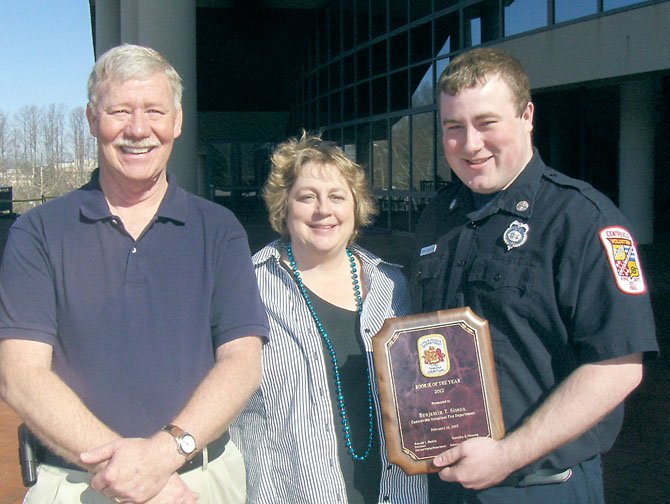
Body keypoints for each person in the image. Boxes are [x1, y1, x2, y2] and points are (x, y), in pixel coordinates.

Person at [0, 44, 269, 504]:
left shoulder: (219, 230)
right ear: (91, 118)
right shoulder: (37, 232)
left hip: (197, 484)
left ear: (178, 121)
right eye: (119, 111)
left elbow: (242, 363)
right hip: (79, 485)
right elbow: (21, 376)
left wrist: (164, 455)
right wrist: (133, 474)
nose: (138, 129)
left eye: (154, 111)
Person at [411, 47, 658, 503]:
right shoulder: (437, 218)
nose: (470, 144)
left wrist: (507, 455)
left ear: (527, 116)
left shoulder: (586, 221)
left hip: (537, 487)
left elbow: (619, 367)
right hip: (444, 486)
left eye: (487, 123)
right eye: (453, 128)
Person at [229, 132, 428, 503]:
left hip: (395, 492)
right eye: (307, 197)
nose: (324, 210)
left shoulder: (395, 285)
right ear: (283, 207)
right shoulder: (245, 286)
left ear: (356, 208)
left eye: (337, 197)